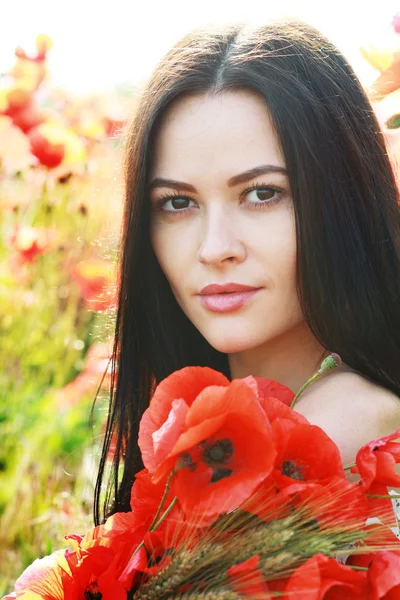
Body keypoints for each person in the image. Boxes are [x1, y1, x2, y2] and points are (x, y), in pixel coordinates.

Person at [94, 18, 400, 526]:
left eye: (262, 194)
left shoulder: (341, 424)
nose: (215, 249)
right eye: (176, 202)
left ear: (345, 197)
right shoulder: (206, 419)